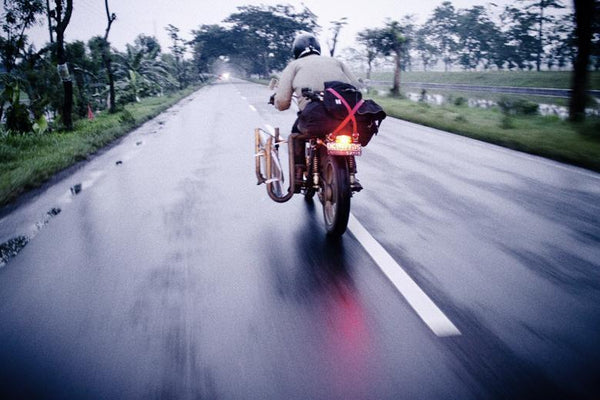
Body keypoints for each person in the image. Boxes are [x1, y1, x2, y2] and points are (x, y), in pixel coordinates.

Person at [271, 33, 362, 182]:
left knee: (295, 135)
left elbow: (282, 102)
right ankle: (351, 171)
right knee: (346, 135)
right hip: (345, 116)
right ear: (318, 49)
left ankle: (299, 171)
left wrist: (277, 102)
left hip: (314, 118)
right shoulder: (337, 62)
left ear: (296, 51)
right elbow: (357, 89)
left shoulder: (294, 66)